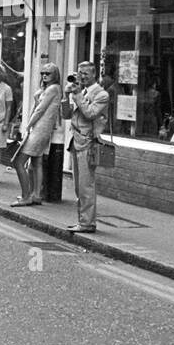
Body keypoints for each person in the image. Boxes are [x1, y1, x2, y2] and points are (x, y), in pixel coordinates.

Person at [64, 61, 109, 233]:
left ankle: (87, 223)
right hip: (76, 141)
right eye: (79, 73)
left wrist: (76, 95)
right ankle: (82, 220)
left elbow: (90, 113)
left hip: (88, 142)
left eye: (85, 73)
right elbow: (66, 115)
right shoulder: (81, 92)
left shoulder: (101, 94)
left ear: (94, 74)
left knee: (86, 185)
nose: (81, 77)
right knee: (78, 186)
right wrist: (66, 96)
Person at [12, 63, 62, 207]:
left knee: (18, 162)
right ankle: (36, 195)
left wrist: (27, 126)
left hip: (39, 129)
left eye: (48, 73)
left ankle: (26, 196)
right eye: (42, 73)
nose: (44, 75)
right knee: (36, 162)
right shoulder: (52, 89)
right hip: (44, 130)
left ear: (55, 75)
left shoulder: (53, 88)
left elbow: (40, 110)